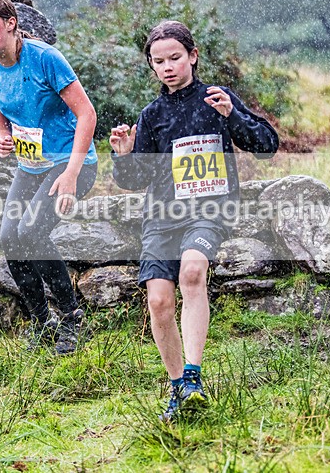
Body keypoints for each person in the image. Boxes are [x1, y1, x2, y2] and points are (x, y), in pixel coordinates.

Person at [109, 21, 279, 421]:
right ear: (151, 67)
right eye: (159, 61)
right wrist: (123, 154)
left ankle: (193, 375)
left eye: (175, 58)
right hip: (163, 215)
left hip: (210, 208)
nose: (168, 67)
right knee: (159, 301)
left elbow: (267, 145)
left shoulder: (216, 98)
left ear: (192, 56)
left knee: (192, 272)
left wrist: (232, 115)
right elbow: (136, 180)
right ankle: (177, 389)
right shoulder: (151, 115)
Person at [0, 0, 98, 354]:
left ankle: (73, 318)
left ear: (10, 24)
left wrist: (72, 173)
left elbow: (87, 114)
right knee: (11, 236)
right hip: (31, 165)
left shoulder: (45, 59)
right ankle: (42, 323)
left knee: (32, 231)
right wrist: (1, 138)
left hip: (73, 163)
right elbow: (0, 125)